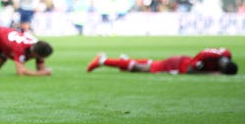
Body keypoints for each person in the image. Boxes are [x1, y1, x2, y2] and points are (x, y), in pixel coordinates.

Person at [86, 47, 238, 75]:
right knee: (143, 68)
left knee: (151, 63)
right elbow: (191, 71)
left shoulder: (226, 54)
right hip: (178, 65)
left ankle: (124, 62)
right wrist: (212, 74)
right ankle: (103, 60)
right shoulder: (208, 59)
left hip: (181, 60)